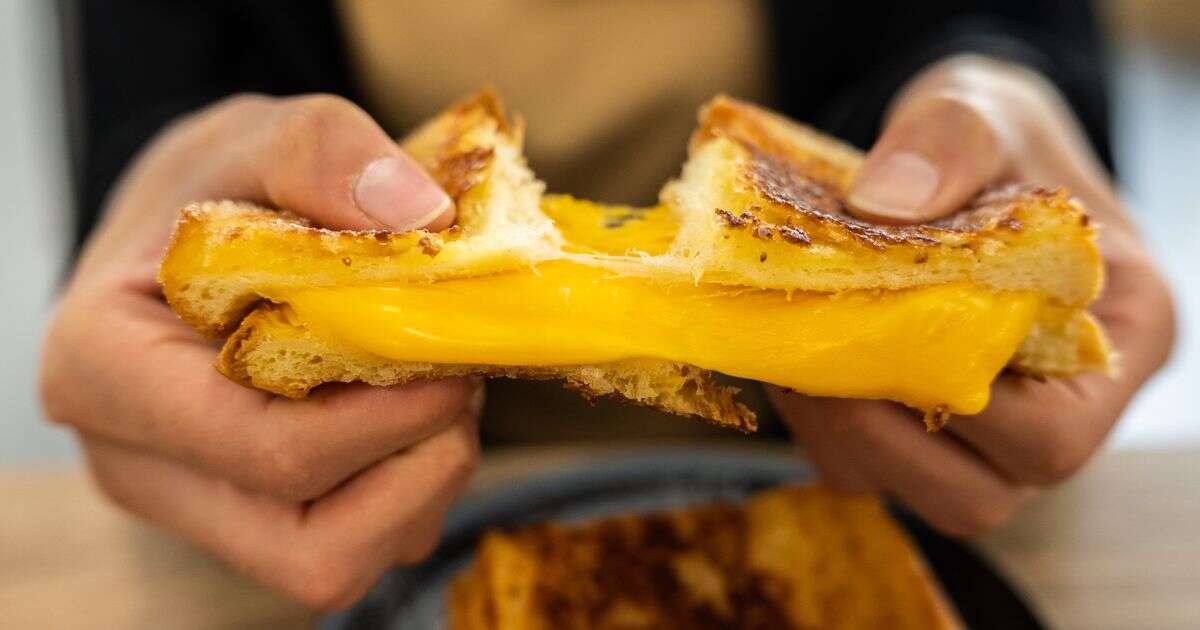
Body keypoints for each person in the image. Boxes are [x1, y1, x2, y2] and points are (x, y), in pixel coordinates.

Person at [41, 1, 1174, 610]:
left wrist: (1004, 88)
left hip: (880, 479)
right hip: (355, 514)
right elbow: (158, 95)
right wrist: (160, 177)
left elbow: (996, 23)